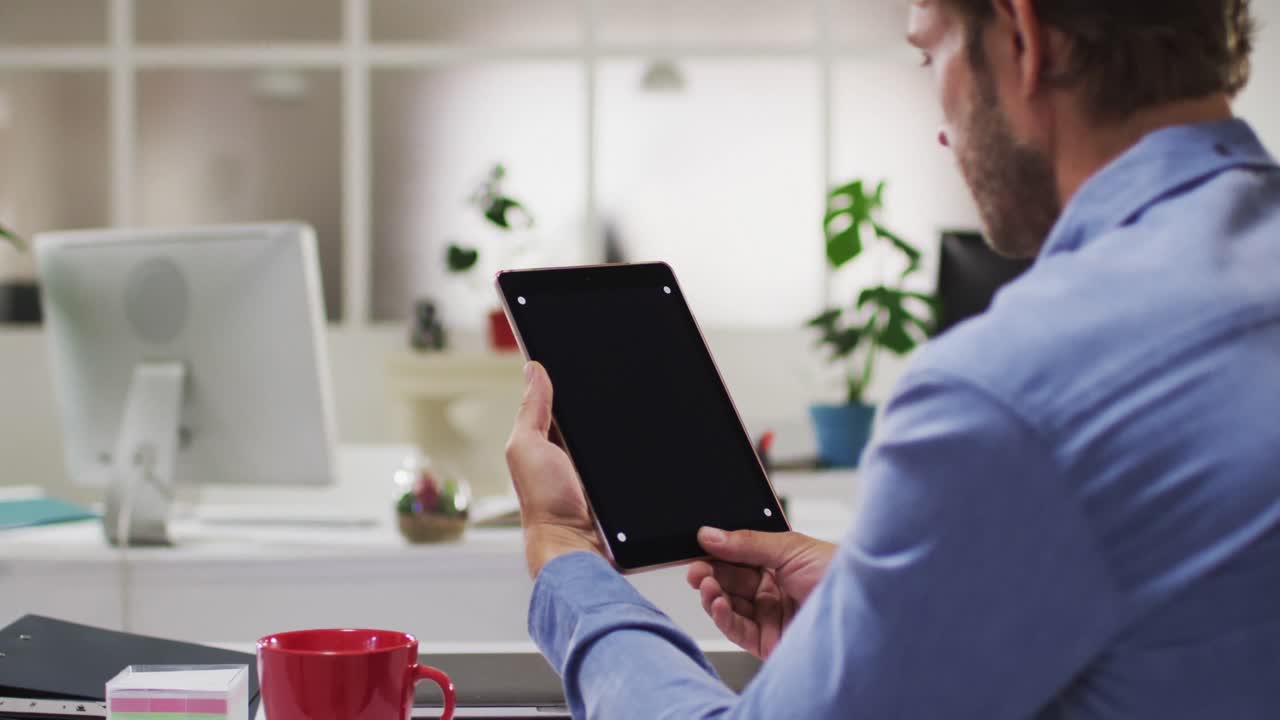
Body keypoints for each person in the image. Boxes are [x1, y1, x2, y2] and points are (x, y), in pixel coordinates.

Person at [504, 0, 1280, 717]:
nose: (940, 129)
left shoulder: (1010, 390)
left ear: (1023, 38)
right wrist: (885, 606)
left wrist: (566, 558)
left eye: (929, 55)